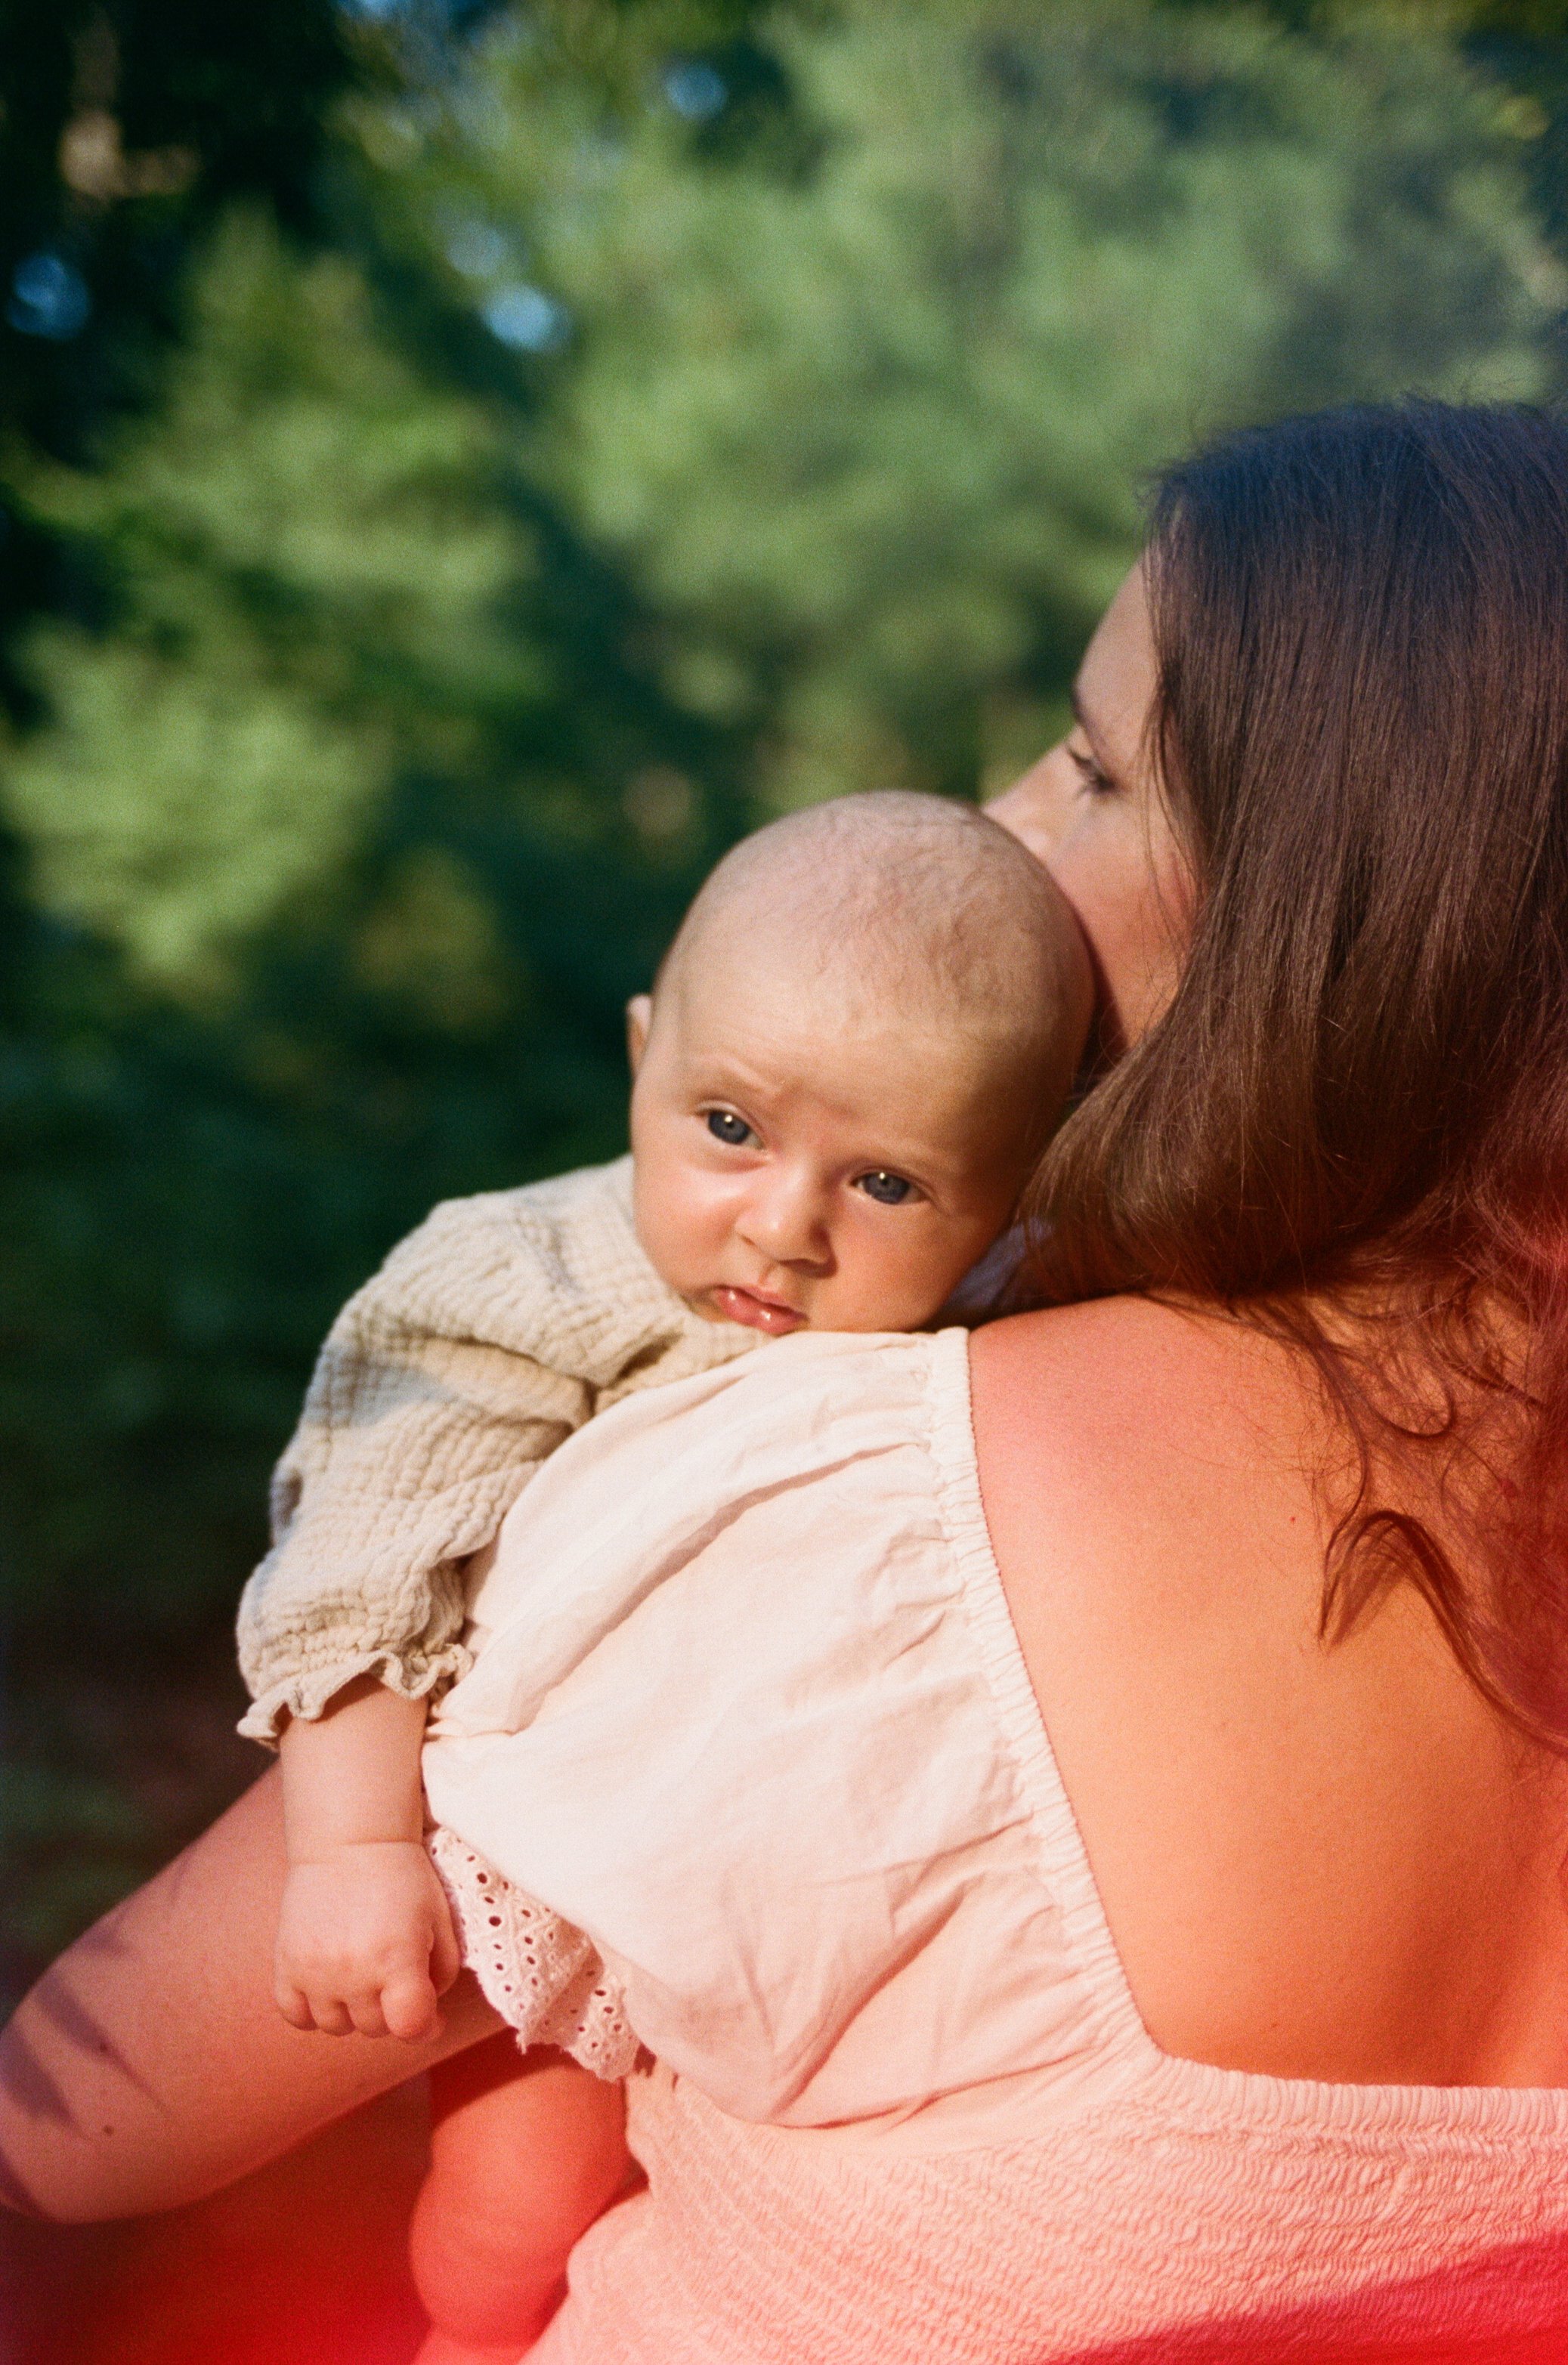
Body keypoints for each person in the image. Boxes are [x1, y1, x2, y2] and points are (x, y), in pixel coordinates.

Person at [8, 399, 1568, 2364]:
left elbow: (98, 2112)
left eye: (1093, 768)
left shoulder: (858, 1521)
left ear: (1334, 916)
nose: (1003, 821)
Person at [250, 789, 1090, 2363]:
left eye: (887, 1184)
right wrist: (349, 1845)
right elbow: (362, 1555)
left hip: (824, 1891)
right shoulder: (525, 1284)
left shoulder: (1014, 1310)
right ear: (644, 1054)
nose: (783, 1227)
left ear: (1012, 1192)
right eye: (730, 1128)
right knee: (514, 2215)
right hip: (569, 1873)